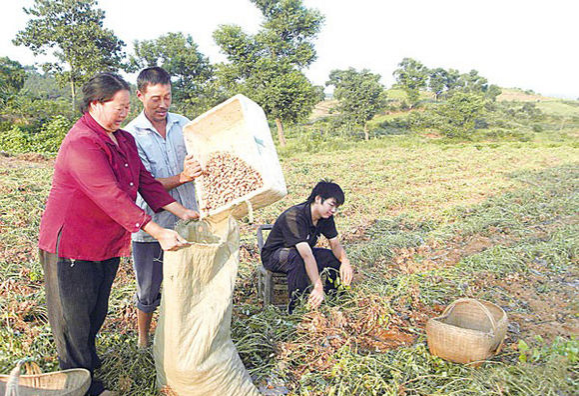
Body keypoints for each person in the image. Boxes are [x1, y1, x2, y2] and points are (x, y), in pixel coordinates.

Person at [38, 72, 198, 396]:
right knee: (73, 320)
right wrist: (158, 232)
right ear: (96, 104)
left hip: (105, 241)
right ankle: (82, 386)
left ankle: (89, 362)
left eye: (127, 107)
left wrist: (182, 212)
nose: (125, 113)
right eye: (120, 107)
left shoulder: (124, 140)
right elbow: (109, 195)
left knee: (96, 309)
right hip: (71, 243)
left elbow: (145, 182)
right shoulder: (81, 142)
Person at [124, 66, 202, 348]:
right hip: (152, 225)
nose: (163, 104)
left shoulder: (185, 125)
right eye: (156, 98)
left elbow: (203, 158)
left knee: (187, 283)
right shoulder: (131, 135)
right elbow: (144, 183)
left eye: (167, 97)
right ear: (140, 96)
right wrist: (182, 176)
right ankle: (144, 339)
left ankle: (180, 337)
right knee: (149, 288)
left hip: (189, 218)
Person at [260, 181, 354, 313]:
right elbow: (306, 255)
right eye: (331, 205)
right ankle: (298, 308)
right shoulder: (294, 216)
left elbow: (335, 244)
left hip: (300, 252)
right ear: (318, 199)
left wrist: (345, 262)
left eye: (336, 207)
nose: (333, 210)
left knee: (332, 258)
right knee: (297, 259)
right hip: (275, 256)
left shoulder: (326, 217)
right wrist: (317, 286)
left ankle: (332, 300)